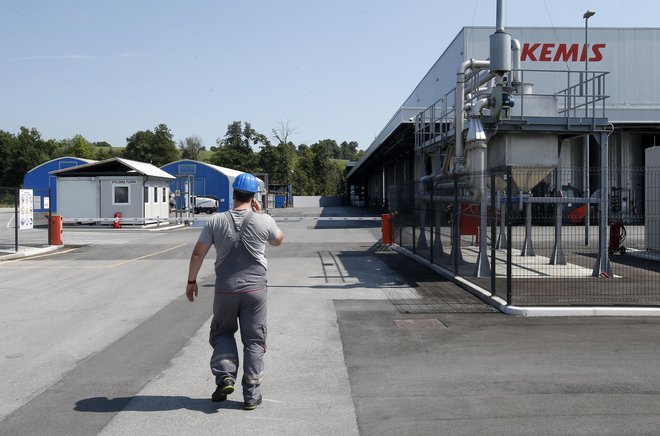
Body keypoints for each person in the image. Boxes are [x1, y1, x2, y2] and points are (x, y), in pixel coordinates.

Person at [185, 173, 284, 410]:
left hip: (225, 290)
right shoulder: (264, 220)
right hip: (256, 290)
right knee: (254, 340)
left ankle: (225, 376)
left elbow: (198, 253)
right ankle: (251, 394)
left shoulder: (215, 221)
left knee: (222, 333)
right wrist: (260, 216)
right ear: (255, 197)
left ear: (233, 194)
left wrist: (192, 281)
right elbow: (278, 240)